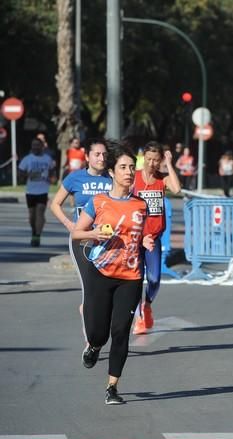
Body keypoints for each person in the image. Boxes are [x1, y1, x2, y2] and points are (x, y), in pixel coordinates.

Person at [71, 141, 154, 405]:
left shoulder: (141, 205)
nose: (129, 172)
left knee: (120, 331)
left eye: (132, 167)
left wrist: (146, 242)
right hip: (101, 273)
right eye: (123, 167)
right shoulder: (99, 202)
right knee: (99, 333)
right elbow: (77, 232)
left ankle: (112, 388)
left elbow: (142, 235)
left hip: (130, 277)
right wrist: (93, 233)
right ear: (112, 172)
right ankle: (94, 347)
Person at [50, 138, 112, 332]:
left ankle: (93, 315)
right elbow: (55, 204)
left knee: (104, 288)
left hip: (106, 241)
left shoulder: (111, 179)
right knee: (89, 288)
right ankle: (90, 337)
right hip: (82, 239)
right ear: (87, 157)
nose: (101, 158)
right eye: (97, 154)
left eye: (104, 154)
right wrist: (70, 224)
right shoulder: (75, 177)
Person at [131, 141, 181, 335]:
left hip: (153, 238)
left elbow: (177, 189)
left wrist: (169, 163)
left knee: (154, 279)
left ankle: (148, 305)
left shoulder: (162, 179)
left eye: (156, 160)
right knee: (135, 279)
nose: (151, 163)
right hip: (135, 238)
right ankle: (139, 319)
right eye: (148, 159)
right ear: (143, 158)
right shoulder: (133, 178)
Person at [18, 138, 57, 246]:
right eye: (33, 145)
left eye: (37, 145)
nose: (35, 147)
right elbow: (20, 174)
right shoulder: (27, 159)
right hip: (30, 191)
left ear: (42, 147)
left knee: (40, 212)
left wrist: (52, 178)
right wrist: (27, 175)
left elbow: (53, 173)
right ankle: (34, 231)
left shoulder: (47, 159)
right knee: (32, 215)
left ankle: (37, 236)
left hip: (43, 190)